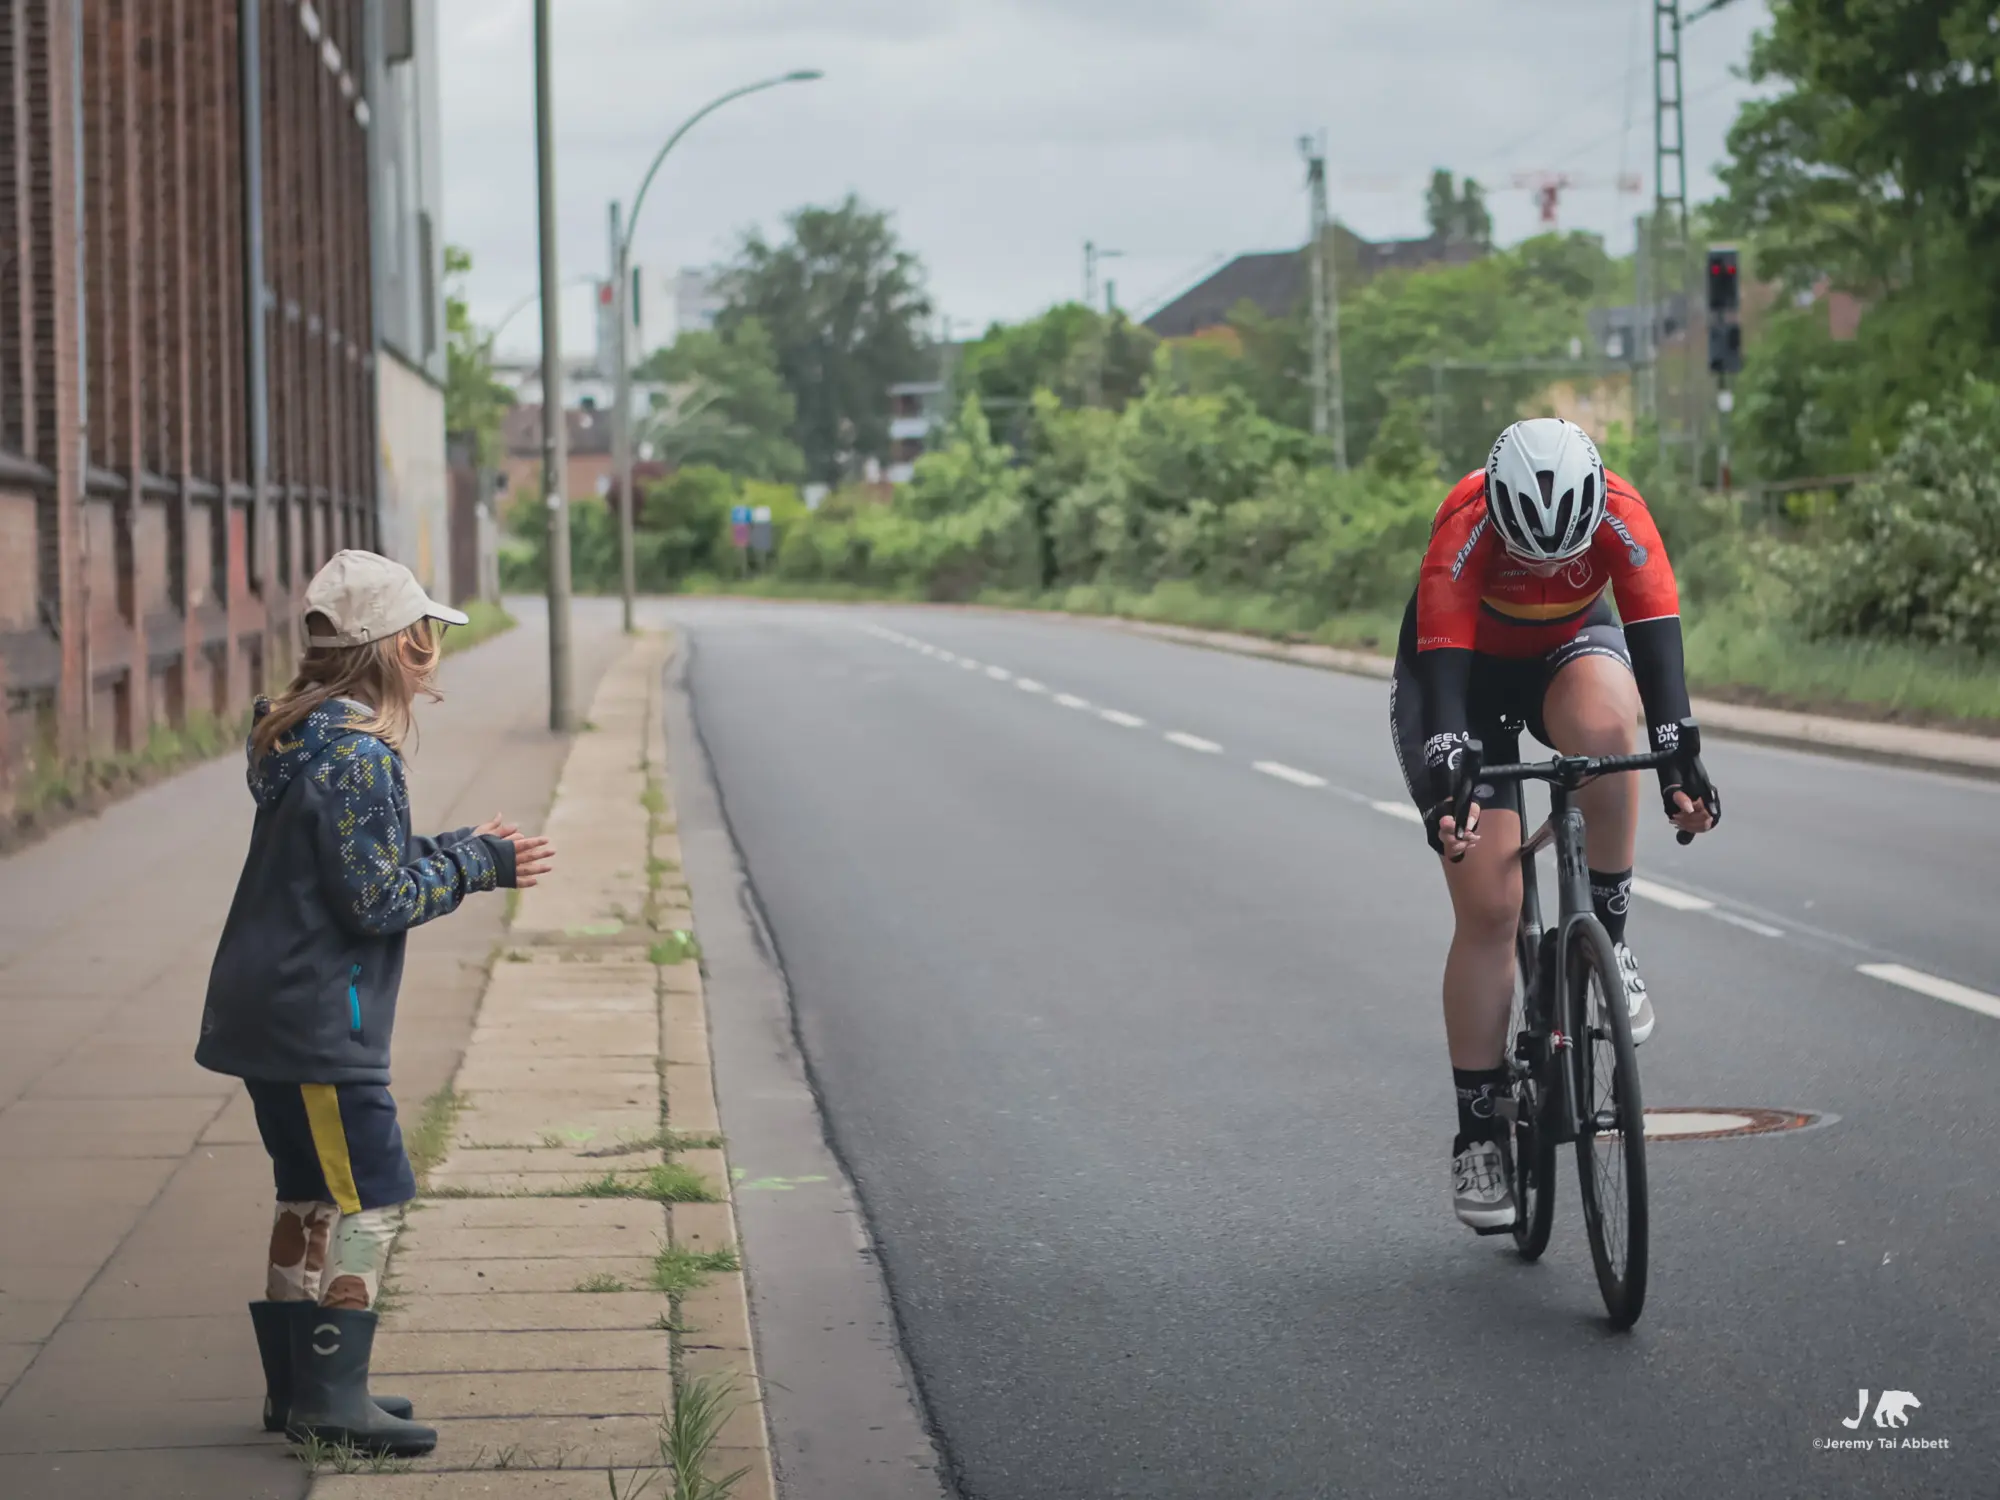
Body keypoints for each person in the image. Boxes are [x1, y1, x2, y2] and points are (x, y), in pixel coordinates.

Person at [195, 550, 555, 1456]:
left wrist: (456, 842)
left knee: (310, 1191)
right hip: (319, 1019)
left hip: (270, 1004)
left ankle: (299, 1390)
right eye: (424, 637)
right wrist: (481, 866)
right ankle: (330, 1393)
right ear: (397, 648)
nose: (431, 655)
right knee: (378, 1193)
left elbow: (354, 859)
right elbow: (377, 900)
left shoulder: (297, 731)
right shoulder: (360, 756)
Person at [1389, 419, 1719, 1232]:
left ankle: (1609, 936)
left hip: (1568, 653)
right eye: (1524, 552)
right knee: (1491, 908)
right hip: (1460, 681)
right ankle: (1477, 1134)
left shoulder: (1621, 512)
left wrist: (1679, 758)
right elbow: (1442, 690)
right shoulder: (1463, 525)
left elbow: (1659, 653)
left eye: (1556, 555)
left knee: (1614, 736)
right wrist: (1449, 786)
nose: (1540, 568)